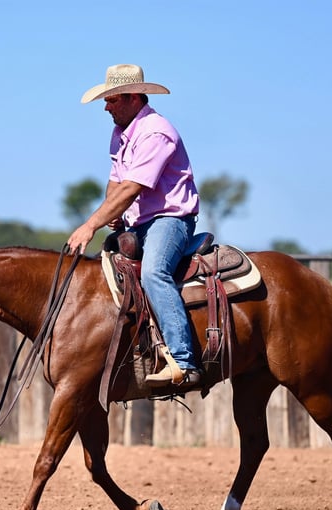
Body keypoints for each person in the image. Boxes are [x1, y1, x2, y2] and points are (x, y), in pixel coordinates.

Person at [67, 64, 201, 386]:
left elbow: (132, 188)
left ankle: (184, 361)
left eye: (111, 100)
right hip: (137, 222)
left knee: (154, 272)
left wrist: (90, 226)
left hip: (169, 220)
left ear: (131, 97)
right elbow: (116, 184)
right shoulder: (121, 133)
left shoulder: (156, 132)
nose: (106, 106)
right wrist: (112, 213)